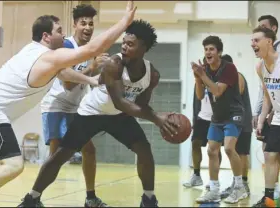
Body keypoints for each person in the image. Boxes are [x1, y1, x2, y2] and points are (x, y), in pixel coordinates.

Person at [0, 1, 137, 206]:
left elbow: (64, 72)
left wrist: (91, 80)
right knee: (13, 165)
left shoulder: (35, 52)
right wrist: (124, 22)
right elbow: (94, 48)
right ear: (46, 36)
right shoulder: (47, 57)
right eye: (58, 31)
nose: (63, 35)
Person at [18, 19, 178, 207]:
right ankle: (32, 198)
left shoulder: (152, 75)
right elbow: (119, 102)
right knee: (62, 153)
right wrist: (157, 118)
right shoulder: (113, 64)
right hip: (91, 113)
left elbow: (141, 106)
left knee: (144, 149)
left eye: (130, 44)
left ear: (144, 48)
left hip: (119, 117)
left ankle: (149, 199)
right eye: (124, 42)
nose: (124, 47)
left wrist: (158, 117)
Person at [40, 5, 109, 207]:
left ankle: (90, 197)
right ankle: (33, 197)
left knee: (89, 150)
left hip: (73, 108)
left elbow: (89, 82)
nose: (87, 27)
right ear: (74, 25)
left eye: (90, 23)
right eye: (83, 23)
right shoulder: (67, 46)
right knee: (55, 158)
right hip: (56, 107)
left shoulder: (89, 50)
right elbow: (68, 84)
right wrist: (92, 68)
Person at [192, 36, 248, 204]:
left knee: (229, 148)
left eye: (211, 49)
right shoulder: (205, 69)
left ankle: (239, 187)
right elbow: (200, 95)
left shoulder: (229, 68)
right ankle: (214, 190)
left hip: (234, 113)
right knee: (211, 150)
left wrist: (203, 74)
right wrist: (197, 77)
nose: (208, 52)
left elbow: (217, 91)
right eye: (206, 49)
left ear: (219, 52)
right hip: (217, 116)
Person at [251, 27, 280, 207]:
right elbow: (266, 96)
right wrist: (261, 119)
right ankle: (268, 199)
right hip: (278, 117)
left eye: (256, 40)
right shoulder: (260, 67)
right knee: (270, 155)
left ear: (269, 42)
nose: (252, 44)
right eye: (252, 41)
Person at [183, 57, 222, 188]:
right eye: (205, 63)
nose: (206, 65)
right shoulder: (199, 80)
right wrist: (195, 118)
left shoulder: (218, 79)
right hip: (201, 118)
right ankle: (196, 175)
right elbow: (197, 101)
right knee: (195, 144)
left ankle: (215, 179)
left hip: (216, 118)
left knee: (215, 149)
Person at [219, 54, 252, 199]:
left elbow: (234, 96)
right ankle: (236, 183)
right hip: (234, 119)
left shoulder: (238, 76)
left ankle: (243, 184)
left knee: (242, 152)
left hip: (242, 119)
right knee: (235, 151)